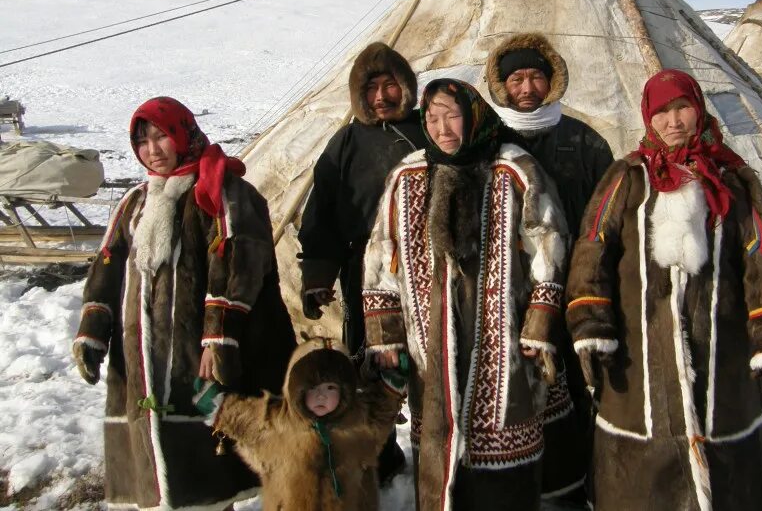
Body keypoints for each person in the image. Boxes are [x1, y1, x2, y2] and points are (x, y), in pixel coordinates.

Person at [566, 69, 762, 511]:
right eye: (662, 112)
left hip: (721, 342)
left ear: (699, 110)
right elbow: (592, 246)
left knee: (723, 441)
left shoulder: (733, 180)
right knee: (643, 452)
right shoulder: (627, 178)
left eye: (682, 108)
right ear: (648, 118)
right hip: (640, 348)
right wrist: (591, 323)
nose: (674, 122)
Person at [72, 96, 296, 510]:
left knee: (209, 476)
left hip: (201, 351)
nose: (152, 150)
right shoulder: (137, 202)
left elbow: (238, 262)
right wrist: (93, 330)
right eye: (142, 141)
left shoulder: (222, 191)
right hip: (145, 358)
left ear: (183, 134)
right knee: (160, 473)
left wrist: (218, 337)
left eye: (161, 136)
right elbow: (107, 263)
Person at [362, 79, 568, 511]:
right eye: (432, 119)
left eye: (452, 116)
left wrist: (538, 324)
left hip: (504, 348)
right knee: (438, 448)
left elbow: (548, 245)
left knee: (503, 462)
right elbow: (382, 257)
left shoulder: (515, 169)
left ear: (473, 115)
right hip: (430, 348)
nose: (442, 129)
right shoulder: (406, 176)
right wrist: (385, 335)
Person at [484, 32, 614, 502]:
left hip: (576, 282)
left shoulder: (584, 140)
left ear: (551, 80)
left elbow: (608, 216)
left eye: (536, 75)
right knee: (514, 386)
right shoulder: (488, 140)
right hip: (508, 289)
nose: (526, 86)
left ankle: (578, 480)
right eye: (516, 77)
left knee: (577, 386)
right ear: (501, 85)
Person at [298, 41, 427, 483]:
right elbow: (322, 212)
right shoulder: (347, 141)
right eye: (370, 89)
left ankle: (437, 450)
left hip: (429, 270)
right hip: (366, 274)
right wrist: (317, 275)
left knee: (432, 362)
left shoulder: (431, 130)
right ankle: (381, 453)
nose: (380, 97)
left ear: (406, 87)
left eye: (390, 85)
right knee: (373, 361)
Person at [192, 338, 408, 511]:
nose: (321, 396)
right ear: (296, 388)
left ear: (345, 389)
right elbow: (243, 420)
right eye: (312, 389)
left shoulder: (357, 419)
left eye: (330, 388)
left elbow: (380, 413)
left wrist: (392, 387)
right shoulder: (277, 423)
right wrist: (217, 406)